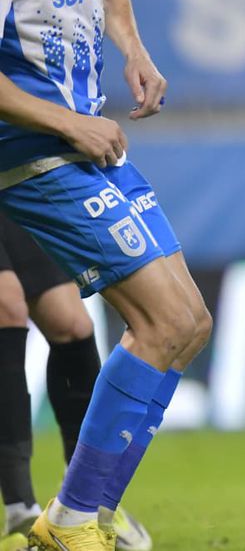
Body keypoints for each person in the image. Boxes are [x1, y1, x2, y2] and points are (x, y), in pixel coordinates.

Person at [0, 0, 211, 550]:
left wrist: (133, 46)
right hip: (31, 152)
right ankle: (74, 517)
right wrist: (69, 122)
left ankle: (81, 507)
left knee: (188, 320)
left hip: (85, 142)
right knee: (161, 319)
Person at [0, 215, 150, 551]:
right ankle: (19, 511)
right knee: (6, 305)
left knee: (71, 323)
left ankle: (80, 504)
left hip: (9, 181)